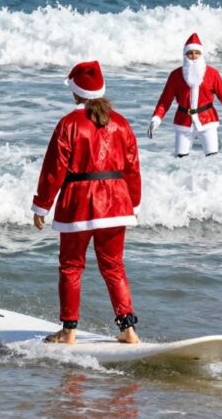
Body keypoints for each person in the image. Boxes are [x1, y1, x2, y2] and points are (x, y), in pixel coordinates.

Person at [31, 61, 141, 345]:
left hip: (78, 203)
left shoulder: (69, 123)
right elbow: (132, 167)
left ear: (76, 93)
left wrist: (42, 205)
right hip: (117, 203)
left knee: (71, 266)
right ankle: (128, 329)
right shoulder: (121, 123)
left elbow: (54, 169)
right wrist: (134, 203)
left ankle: (68, 332)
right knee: (114, 266)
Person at [148, 33, 222, 157]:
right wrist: (156, 120)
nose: (194, 56)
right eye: (190, 53)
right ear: (185, 55)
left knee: (213, 158)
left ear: (201, 54)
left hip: (207, 121)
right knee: (180, 159)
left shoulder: (212, 74)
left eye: (197, 53)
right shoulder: (175, 75)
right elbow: (165, 101)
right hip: (183, 122)